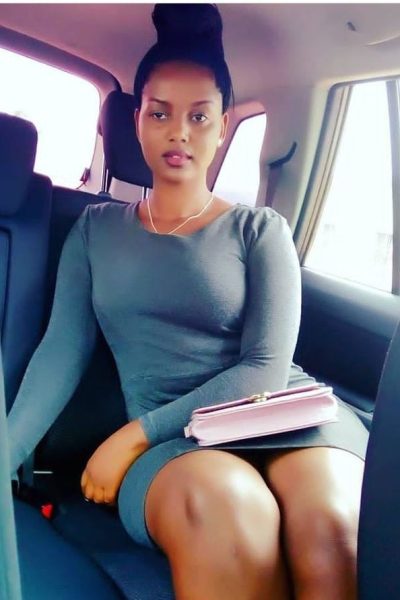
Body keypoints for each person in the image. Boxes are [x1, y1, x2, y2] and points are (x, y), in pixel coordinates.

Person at [8, 4, 368, 599]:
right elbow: (61, 351)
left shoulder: (261, 230)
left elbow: (266, 369)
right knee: (228, 509)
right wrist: (6, 456)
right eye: (161, 113)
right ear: (137, 121)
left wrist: (131, 436)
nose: (179, 132)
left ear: (222, 126)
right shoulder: (95, 232)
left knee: (335, 524)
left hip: (282, 416)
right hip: (175, 445)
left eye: (199, 116)